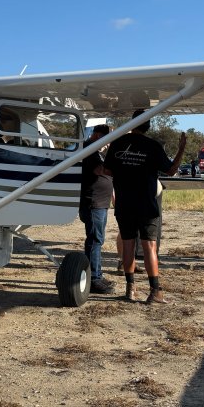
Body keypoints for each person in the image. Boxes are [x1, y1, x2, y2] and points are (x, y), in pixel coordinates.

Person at [104, 109, 186, 304]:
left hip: (124, 202)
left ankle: (130, 289)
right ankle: (154, 291)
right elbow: (172, 170)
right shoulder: (152, 146)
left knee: (128, 244)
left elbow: (107, 170)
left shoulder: (118, 143)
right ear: (148, 126)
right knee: (149, 246)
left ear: (132, 124)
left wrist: (124, 174)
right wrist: (181, 148)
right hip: (146, 203)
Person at [80, 124, 115, 294]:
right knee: (95, 240)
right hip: (93, 203)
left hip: (100, 203)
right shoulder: (89, 150)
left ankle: (96, 274)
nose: (108, 144)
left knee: (97, 240)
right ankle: (93, 278)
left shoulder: (96, 151)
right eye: (107, 139)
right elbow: (99, 170)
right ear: (98, 135)